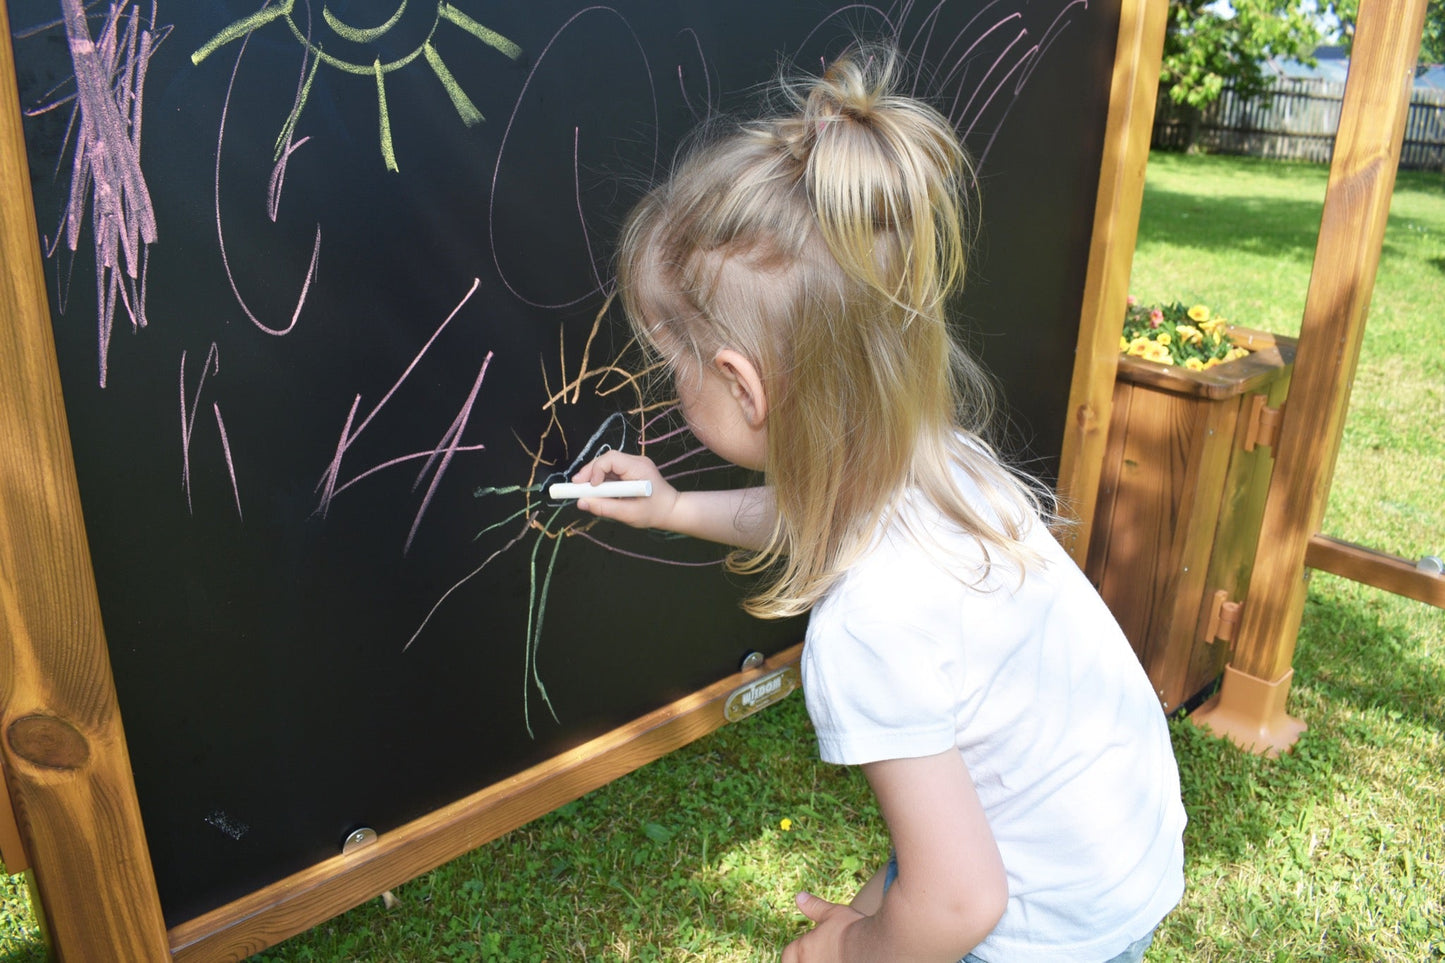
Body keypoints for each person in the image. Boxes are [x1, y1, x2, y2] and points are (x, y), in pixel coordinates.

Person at [570, 43, 1186, 963]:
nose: (666, 387)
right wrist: (671, 509)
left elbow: (957, 904)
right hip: (1114, 853)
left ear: (743, 388)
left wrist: (844, 953)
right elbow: (808, 514)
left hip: (1043, 928)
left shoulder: (866, 626)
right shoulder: (941, 463)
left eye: (671, 367)